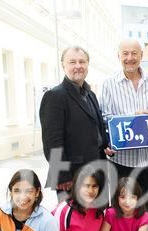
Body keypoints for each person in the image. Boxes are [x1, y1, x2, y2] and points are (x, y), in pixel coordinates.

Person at [40, 46, 111, 201]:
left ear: (87, 65)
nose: (78, 66)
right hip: (72, 177)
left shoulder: (90, 94)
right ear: (63, 65)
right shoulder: (55, 96)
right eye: (72, 62)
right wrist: (63, 176)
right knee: (74, 223)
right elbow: (52, 142)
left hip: (97, 172)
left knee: (98, 221)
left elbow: (95, 129)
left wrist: (108, 143)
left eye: (82, 61)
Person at [101, 39, 148, 210]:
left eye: (134, 53)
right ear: (118, 56)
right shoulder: (109, 83)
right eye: (125, 53)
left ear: (141, 55)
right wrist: (132, 118)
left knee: (143, 209)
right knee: (120, 210)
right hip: (121, 161)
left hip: (147, 159)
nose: (130, 58)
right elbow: (105, 118)